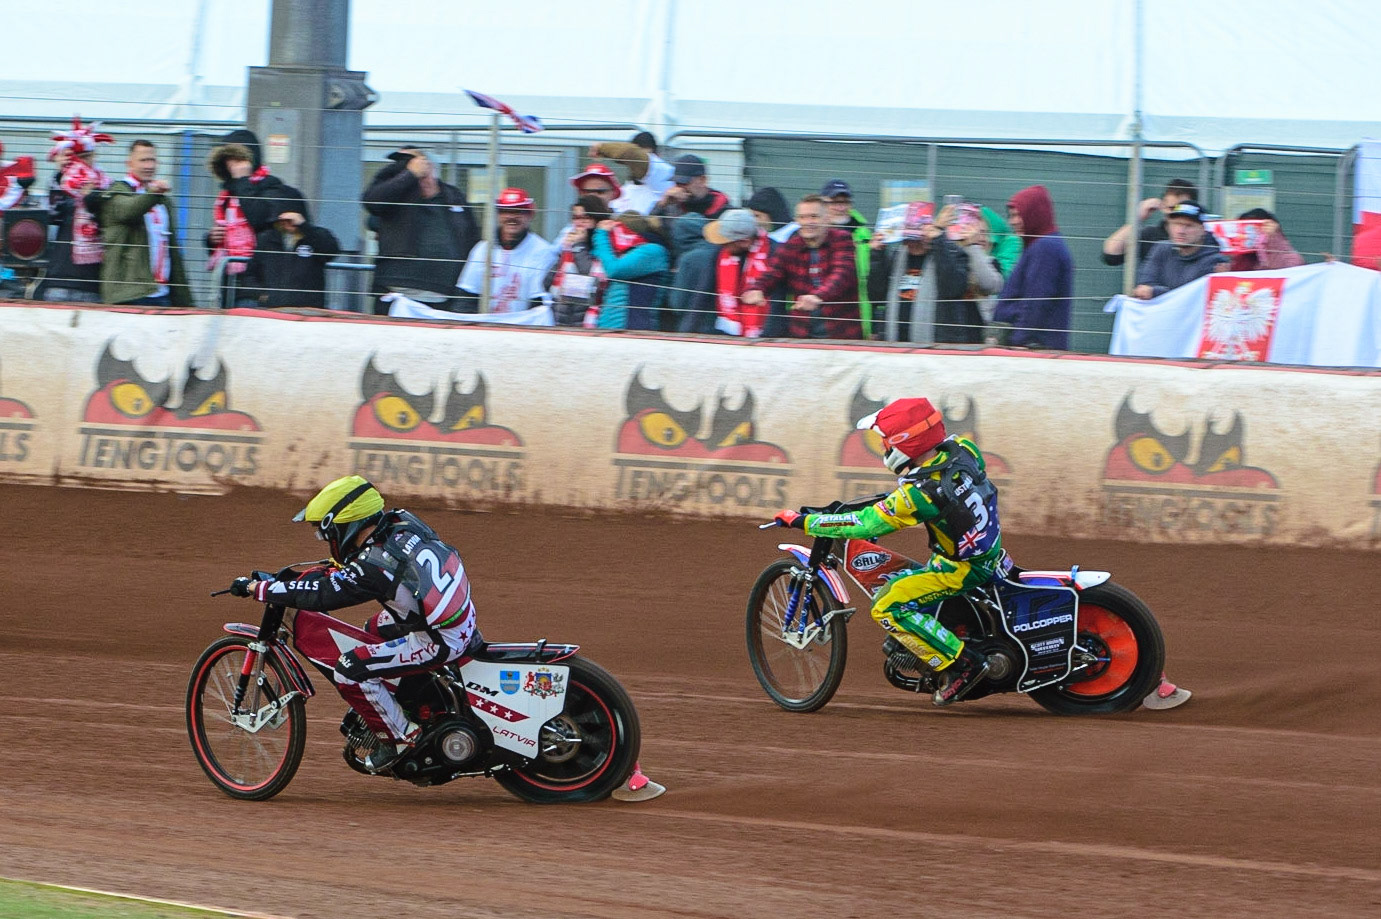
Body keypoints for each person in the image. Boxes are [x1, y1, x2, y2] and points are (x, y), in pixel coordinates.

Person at [228, 475, 478, 772]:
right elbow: (363, 569)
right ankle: (410, 702)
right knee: (374, 629)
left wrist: (259, 589)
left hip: (438, 640)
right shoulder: (402, 521)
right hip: (455, 620)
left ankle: (402, 739)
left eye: (327, 533)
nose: (326, 540)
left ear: (345, 526)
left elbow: (325, 594)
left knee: (350, 670)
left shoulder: (372, 567)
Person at [771, 398, 1002, 706]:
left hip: (961, 568)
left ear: (904, 444)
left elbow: (865, 524)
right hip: (989, 551)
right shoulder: (963, 451)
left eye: (885, 440)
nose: (882, 446)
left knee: (887, 606)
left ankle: (961, 662)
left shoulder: (919, 494)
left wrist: (804, 521)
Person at [363, 147, 479, 314]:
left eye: (412, 161)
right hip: (398, 293)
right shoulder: (397, 194)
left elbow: (471, 237)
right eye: (404, 164)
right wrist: (409, 175)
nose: (406, 166)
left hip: (444, 295)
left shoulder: (453, 195)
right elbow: (372, 201)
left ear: (429, 165)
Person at [205, 131, 309, 308]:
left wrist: (243, 182)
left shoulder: (276, 191)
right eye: (228, 160)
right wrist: (211, 239)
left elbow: (259, 219)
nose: (232, 166)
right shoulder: (227, 197)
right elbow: (227, 241)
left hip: (263, 287)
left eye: (238, 159)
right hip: (231, 284)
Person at [742, 194, 861, 339]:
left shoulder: (842, 239)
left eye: (814, 216)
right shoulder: (790, 246)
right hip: (802, 333)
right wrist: (757, 289)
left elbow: (842, 274)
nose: (808, 222)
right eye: (802, 217)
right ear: (796, 220)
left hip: (841, 333)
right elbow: (772, 273)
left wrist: (818, 296)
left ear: (827, 219)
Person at [95, 140, 191, 306]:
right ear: (129, 163)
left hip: (162, 293)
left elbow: (172, 249)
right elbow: (129, 211)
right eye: (143, 160)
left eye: (152, 160)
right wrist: (154, 193)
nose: (149, 165)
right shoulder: (116, 192)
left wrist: (183, 298)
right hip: (129, 294)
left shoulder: (163, 201)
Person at [866, 203, 970, 343]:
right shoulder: (897, 256)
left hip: (937, 346)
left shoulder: (952, 253)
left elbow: (953, 289)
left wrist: (938, 241)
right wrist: (877, 256)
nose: (912, 243)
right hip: (895, 344)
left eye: (917, 237)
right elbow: (877, 296)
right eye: (908, 238)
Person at [40, 116, 113, 304]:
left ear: (94, 156)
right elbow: (51, 215)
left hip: (93, 283)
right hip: (59, 280)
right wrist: (61, 176)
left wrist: (92, 194)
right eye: (74, 157)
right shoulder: (59, 185)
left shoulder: (106, 185)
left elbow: (108, 219)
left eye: (85, 156)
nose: (80, 163)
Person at [993, 185, 1073, 349]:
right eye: (1011, 216)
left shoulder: (1044, 248)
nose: (1012, 222)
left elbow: (1036, 302)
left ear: (1034, 213)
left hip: (1033, 348)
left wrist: (1019, 340)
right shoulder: (1043, 244)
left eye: (1017, 215)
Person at [455, 187, 557, 313]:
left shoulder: (543, 251)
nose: (511, 217)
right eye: (505, 211)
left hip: (523, 327)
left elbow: (539, 306)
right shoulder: (482, 249)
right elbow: (466, 297)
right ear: (498, 215)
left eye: (518, 211)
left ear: (530, 215)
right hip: (485, 327)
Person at [589, 211, 670, 330]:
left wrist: (601, 235)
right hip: (608, 328)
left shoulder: (653, 251)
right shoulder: (621, 253)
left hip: (633, 330)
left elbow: (614, 270)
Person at [1133, 200, 1228, 299]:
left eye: (1188, 226)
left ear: (1202, 230)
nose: (1180, 231)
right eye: (1176, 224)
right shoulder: (1161, 248)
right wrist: (1151, 291)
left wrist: (1155, 292)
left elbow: (1191, 299)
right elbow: (1144, 286)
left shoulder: (1215, 261)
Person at [545, 194, 611, 326]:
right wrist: (565, 253)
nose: (578, 223)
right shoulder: (571, 245)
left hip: (590, 323)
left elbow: (591, 276)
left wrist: (578, 246)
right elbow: (547, 282)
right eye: (575, 218)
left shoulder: (604, 245)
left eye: (585, 218)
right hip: (562, 320)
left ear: (596, 219)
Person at [1101, 178, 1198, 267]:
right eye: (1172, 208)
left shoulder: (1202, 237)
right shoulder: (1150, 235)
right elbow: (1111, 255)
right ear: (1163, 206)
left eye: (1183, 210)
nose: (1177, 215)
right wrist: (1137, 218)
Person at [821, 179, 875, 337]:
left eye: (845, 202)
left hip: (857, 318)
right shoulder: (812, 235)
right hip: (821, 319)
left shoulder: (864, 234)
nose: (841, 207)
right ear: (823, 205)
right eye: (835, 202)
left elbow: (875, 282)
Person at [256, 209, 340, 309]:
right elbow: (251, 272)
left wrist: (305, 226)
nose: (288, 224)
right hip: (272, 308)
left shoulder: (315, 235)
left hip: (308, 309)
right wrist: (260, 294)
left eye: (291, 220)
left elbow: (331, 251)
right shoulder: (267, 239)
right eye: (284, 220)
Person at [652, 154, 730, 225]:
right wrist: (662, 204)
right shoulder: (671, 206)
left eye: (684, 182)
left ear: (703, 180)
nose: (679, 188)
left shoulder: (724, 211)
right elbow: (648, 228)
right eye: (677, 183)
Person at [1228, 208, 1304, 271]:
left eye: (1254, 228)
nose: (1247, 234)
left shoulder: (1290, 257)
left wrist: (1272, 239)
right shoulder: (1245, 256)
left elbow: (1289, 272)